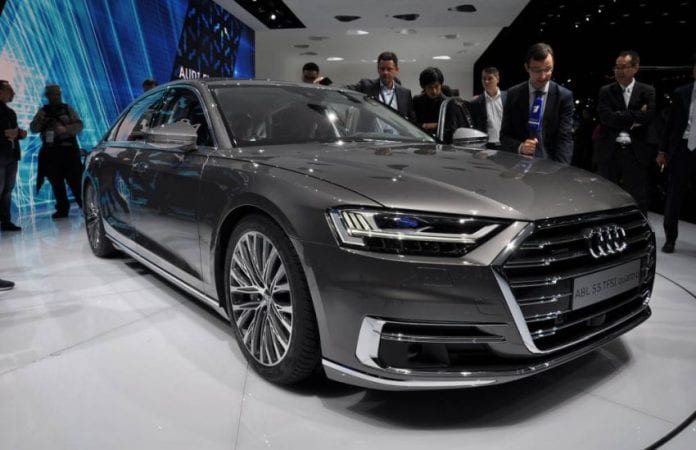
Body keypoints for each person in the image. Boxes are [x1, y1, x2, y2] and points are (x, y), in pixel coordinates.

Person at [595, 50, 656, 216]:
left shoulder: (647, 90)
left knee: (638, 198)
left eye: (623, 67)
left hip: (636, 152)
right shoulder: (605, 91)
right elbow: (606, 117)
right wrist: (635, 116)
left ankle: (638, 229)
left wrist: (619, 116)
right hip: (609, 151)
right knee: (606, 196)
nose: (619, 71)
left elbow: (648, 117)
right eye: (617, 67)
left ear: (635, 68)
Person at [500, 43, 574, 164]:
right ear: (527, 67)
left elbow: (564, 139)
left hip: (551, 165)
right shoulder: (513, 94)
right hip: (519, 165)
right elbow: (504, 136)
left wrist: (561, 169)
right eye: (536, 70)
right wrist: (520, 147)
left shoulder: (564, 96)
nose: (543, 76)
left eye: (548, 69)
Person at [657, 53, 696, 253]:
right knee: (673, 196)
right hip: (681, 148)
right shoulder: (681, 93)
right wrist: (663, 150)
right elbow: (670, 124)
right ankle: (670, 239)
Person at [30, 84, 84, 219]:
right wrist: (41, 118)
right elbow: (34, 128)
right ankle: (62, 208)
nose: (55, 96)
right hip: (51, 151)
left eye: (57, 94)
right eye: (52, 94)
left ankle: (85, 206)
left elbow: (79, 125)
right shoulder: (43, 111)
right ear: (47, 96)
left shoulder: (67, 109)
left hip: (68, 150)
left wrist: (65, 129)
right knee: (56, 182)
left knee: (75, 181)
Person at [347, 51, 416, 122]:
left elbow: (412, 121)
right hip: (372, 129)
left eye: (389, 69)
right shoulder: (366, 86)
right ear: (378, 69)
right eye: (382, 69)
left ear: (396, 70)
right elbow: (346, 90)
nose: (385, 72)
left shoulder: (405, 94)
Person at [0, 80, 26, 232]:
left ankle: (5, 221)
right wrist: (4, 134)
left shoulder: (10, 112)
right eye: (10, 91)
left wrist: (20, 134)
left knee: (7, 190)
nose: (13, 93)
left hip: (11, 156)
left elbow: (13, 132)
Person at [470, 67, 507, 149]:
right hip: (487, 146)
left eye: (490, 78)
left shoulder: (508, 97)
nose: (486, 81)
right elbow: (474, 126)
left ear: (497, 79)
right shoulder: (476, 103)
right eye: (484, 79)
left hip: (506, 144)